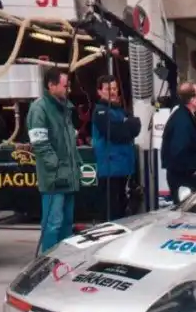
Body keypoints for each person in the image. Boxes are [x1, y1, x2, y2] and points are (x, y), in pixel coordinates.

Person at [26, 67, 83, 253]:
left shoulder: (65, 108)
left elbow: (70, 141)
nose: (69, 89)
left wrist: (76, 164)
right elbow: (40, 143)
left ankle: (64, 260)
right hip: (54, 179)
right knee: (53, 225)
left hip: (69, 177)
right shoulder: (39, 108)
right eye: (65, 86)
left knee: (67, 224)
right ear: (51, 85)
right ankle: (48, 263)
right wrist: (57, 167)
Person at [91, 74, 141, 220]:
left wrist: (126, 125)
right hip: (109, 171)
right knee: (110, 214)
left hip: (125, 170)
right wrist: (126, 126)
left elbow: (136, 126)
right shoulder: (100, 111)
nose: (112, 92)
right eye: (108, 89)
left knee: (123, 214)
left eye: (114, 88)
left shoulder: (120, 111)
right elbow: (115, 133)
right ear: (99, 91)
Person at [161, 81, 196, 205]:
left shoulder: (187, 115)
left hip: (184, 176)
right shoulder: (182, 120)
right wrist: (193, 169)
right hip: (182, 178)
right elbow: (179, 149)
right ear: (192, 99)